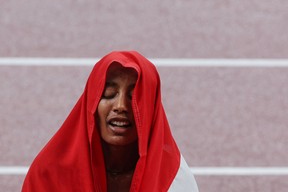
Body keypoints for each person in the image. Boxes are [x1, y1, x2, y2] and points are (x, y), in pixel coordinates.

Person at [22, 51, 199, 192]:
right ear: (91, 103)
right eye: (109, 94)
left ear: (151, 110)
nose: (121, 106)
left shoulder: (175, 181)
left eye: (133, 97)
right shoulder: (49, 173)